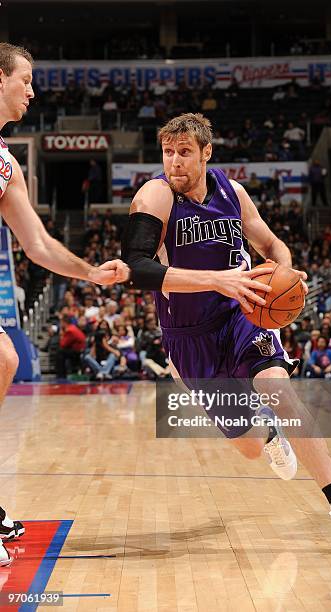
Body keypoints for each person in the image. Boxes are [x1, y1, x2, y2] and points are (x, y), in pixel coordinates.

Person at [102, 112, 331, 557]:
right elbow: (139, 269)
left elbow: (272, 246)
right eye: (168, 152)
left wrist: (284, 273)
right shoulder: (155, 195)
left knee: (276, 387)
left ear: (206, 153)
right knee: (249, 446)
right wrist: (216, 280)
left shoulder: (233, 192)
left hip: (241, 311)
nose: (174, 163)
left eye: (185, 153)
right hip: (188, 335)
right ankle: (270, 437)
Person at [0, 42, 128, 564]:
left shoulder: (6, 164)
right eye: (24, 79)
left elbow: (39, 245)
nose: (32, 90)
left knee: (5, 359)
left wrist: (91, 272)